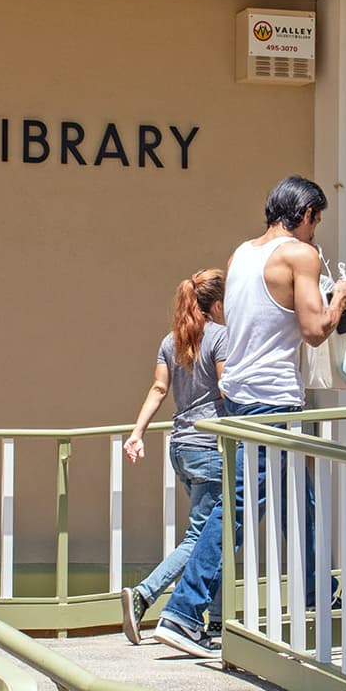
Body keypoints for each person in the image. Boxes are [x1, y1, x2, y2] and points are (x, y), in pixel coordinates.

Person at [152, 176, 346, 659]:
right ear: (305, 214)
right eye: (316, 220)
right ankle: (183, 612)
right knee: (239, 506)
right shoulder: (300, 255)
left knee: (298, 498)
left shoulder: (241, 254)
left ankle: (318, 590)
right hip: (273, 401)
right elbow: (314, 331)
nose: (315, 231)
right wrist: (340, 299)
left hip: (242, 396)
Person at [118, 271, 227, 644]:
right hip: (210, 446)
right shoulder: (220, 337)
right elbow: (227, 389)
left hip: (180, 447)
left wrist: (137, 433)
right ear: (217, 304)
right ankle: (145, 593)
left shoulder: (171, 340)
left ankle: (216, 622)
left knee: (215, 533)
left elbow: (158, 388)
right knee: (204, 536)